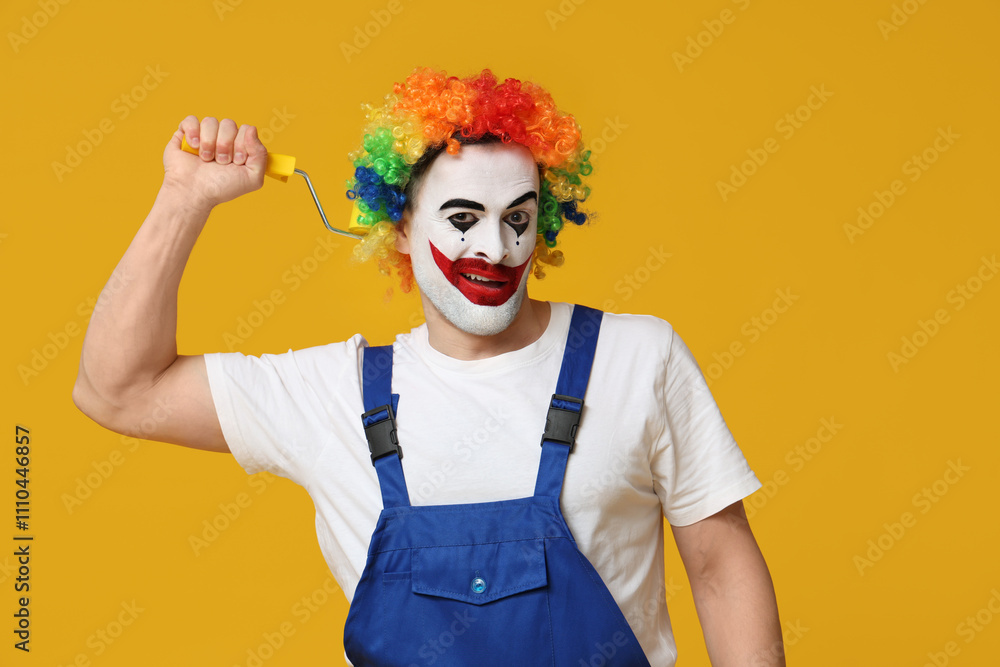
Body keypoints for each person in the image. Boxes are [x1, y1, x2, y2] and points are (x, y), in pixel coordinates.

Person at [74, 67, 784, 666]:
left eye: (517, 218)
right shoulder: (334, 393)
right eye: (463, 217)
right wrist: (184, 199)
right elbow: (118, 390)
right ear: (404, 226)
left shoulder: (639, 357)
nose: (496, 249)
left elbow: (721, 567)